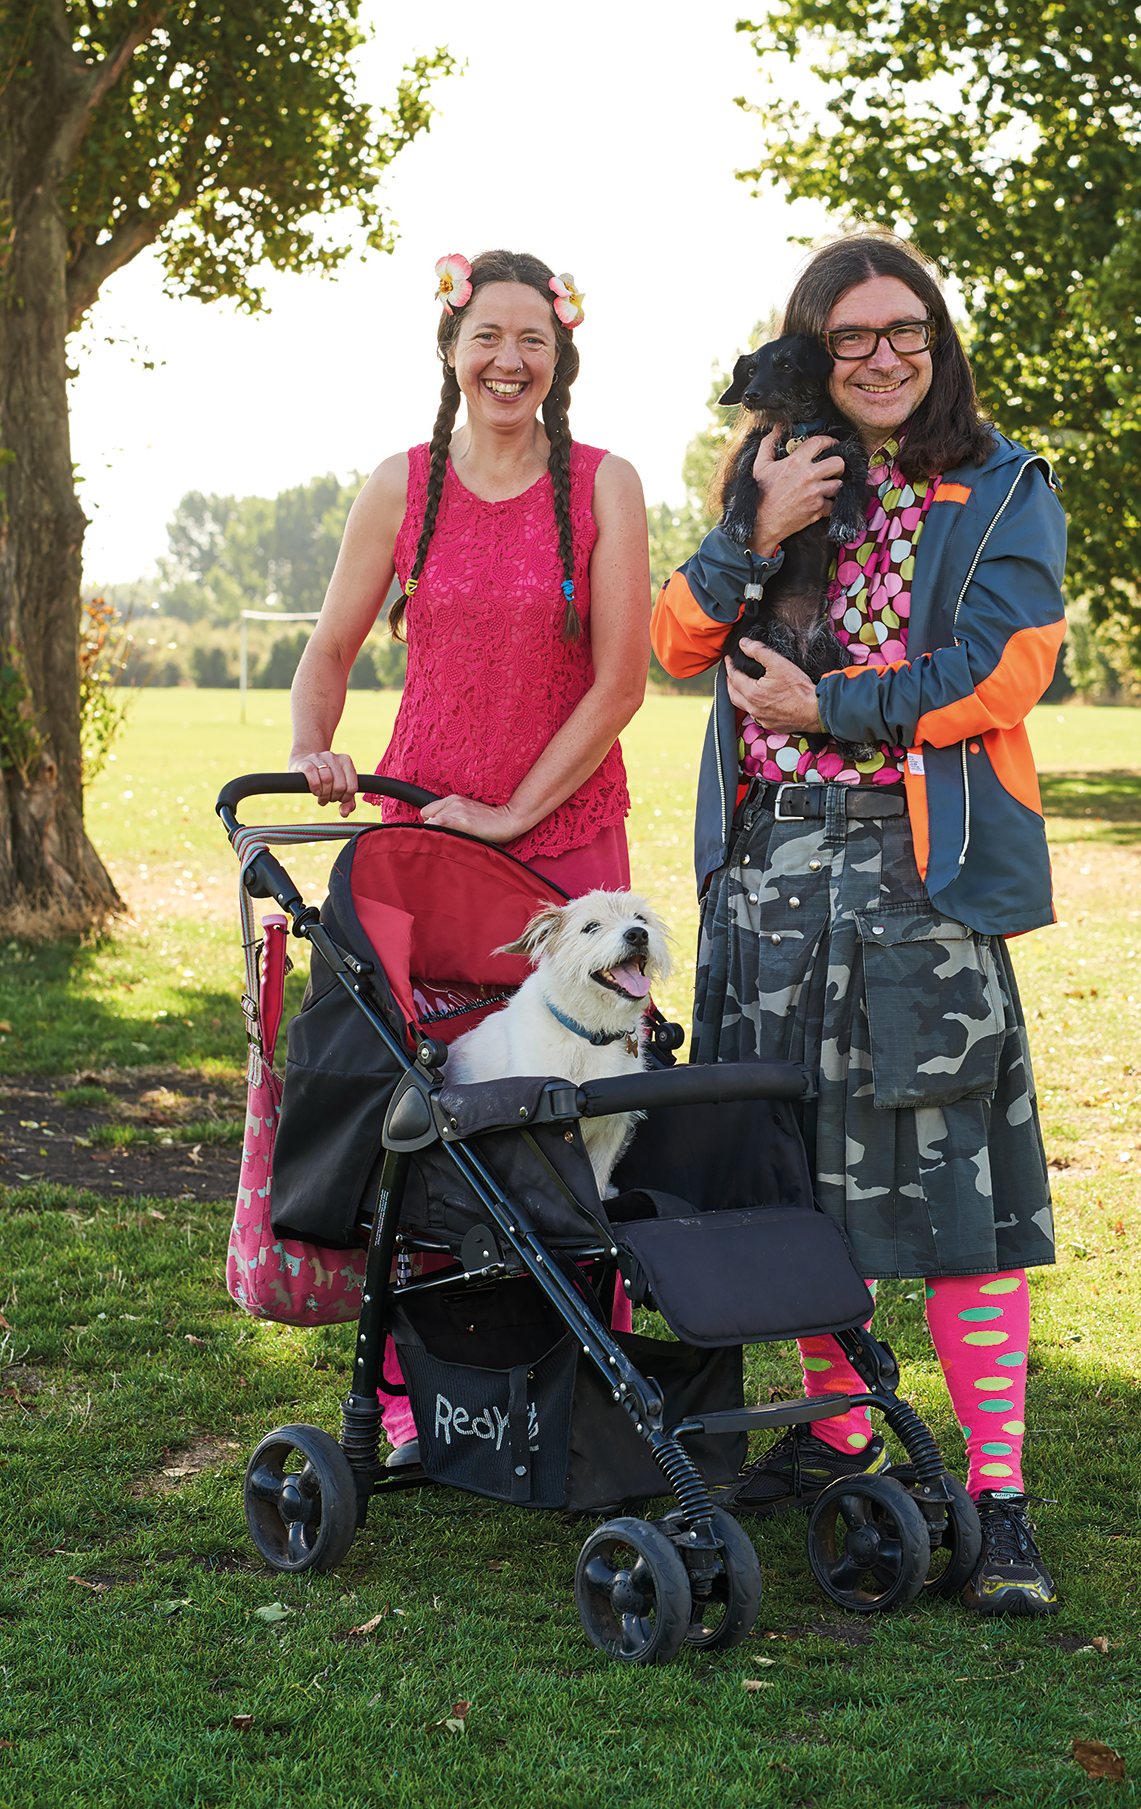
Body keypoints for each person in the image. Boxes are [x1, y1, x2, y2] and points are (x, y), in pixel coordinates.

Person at [651, 231, 1067, 1615]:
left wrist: (833, 710)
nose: (884, 359)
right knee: (796, 1187)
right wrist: (752, 533)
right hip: (765, 891)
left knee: (954, 1208)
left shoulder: (1002, 487)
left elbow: (1005, 673)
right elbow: (674, 646)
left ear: (939, 345)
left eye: (908, 334)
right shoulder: (780, 473)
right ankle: (837, 1440)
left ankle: (997, 1504)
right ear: (816, 352)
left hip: (915, 893)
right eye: (853, 339)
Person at [289, 247, 650, 1453]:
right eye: (487, 336)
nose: (508, 359)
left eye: (532, 340)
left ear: (561, 358)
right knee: (427, 1105)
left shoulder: (602, 485)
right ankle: (411, 1389)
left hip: (561, 844)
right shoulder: (402, 486)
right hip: (427, 838)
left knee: (581, 1107)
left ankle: (576, 1369)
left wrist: (509, 813)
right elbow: (331, 649)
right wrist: (315, 745)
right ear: (450, 348)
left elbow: (616, 684)